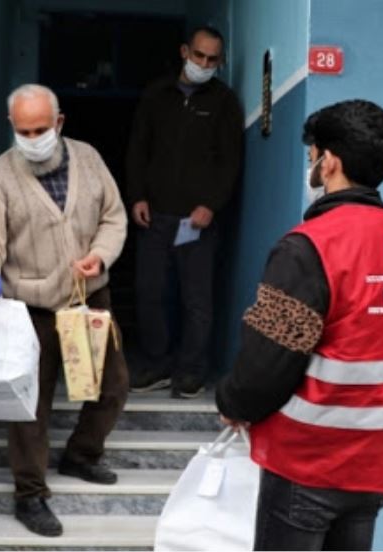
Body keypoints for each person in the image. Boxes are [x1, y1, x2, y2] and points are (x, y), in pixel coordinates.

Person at [216, 100, 383, 551]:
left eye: (312, 155)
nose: (311, 166)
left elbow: (267, 361)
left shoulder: (309, 248)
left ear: (328, 161)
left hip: (309, 462)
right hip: (376, 465)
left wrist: (233, 402)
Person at [0, 84, 129, 537]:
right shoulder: (0, 177)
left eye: (40, 128)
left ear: (59, 123)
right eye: (23, 131)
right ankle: (29, 494)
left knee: (112, 387)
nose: (33, 138)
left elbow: (114, 216)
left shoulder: (89, 158)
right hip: (28, 307)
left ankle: (81, 455)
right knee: (29, 406)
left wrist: (100, 254)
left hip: (89, 295)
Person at [126, 25, 244, 399]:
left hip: (199, 222)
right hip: (155, 216)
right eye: (199, 56)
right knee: (150, 292)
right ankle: (158, 363)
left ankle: (191, 371)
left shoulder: (224, 102)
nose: (205, 64)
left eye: (213, 59)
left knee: (197, 300)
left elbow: (231, 161)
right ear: (184, 52)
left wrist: (211, 204)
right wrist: (137, 196)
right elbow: (137, 150)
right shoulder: (155, 95)